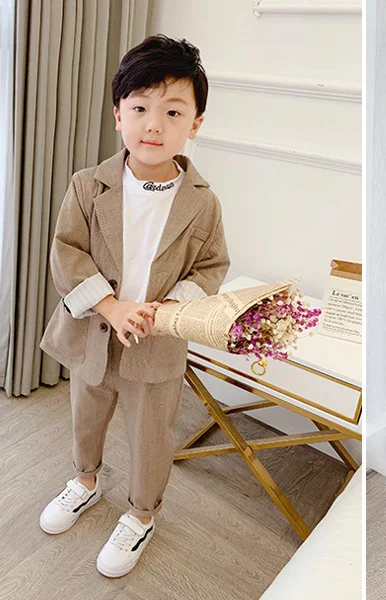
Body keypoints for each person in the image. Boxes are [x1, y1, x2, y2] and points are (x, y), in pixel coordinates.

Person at [38, 34, 230, 578]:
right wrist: (110, 305)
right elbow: (66, 252)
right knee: (86, 415)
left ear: (195, 123)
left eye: (173, 112)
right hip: (92, 335)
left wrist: (165, 311)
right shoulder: (87, 186)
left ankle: (142, 514)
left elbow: (211, 267)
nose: (154, 125)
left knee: (151, 435)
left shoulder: (203, 203)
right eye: (140, 108)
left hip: (157, 344)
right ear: (118, 113)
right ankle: (85, 480)